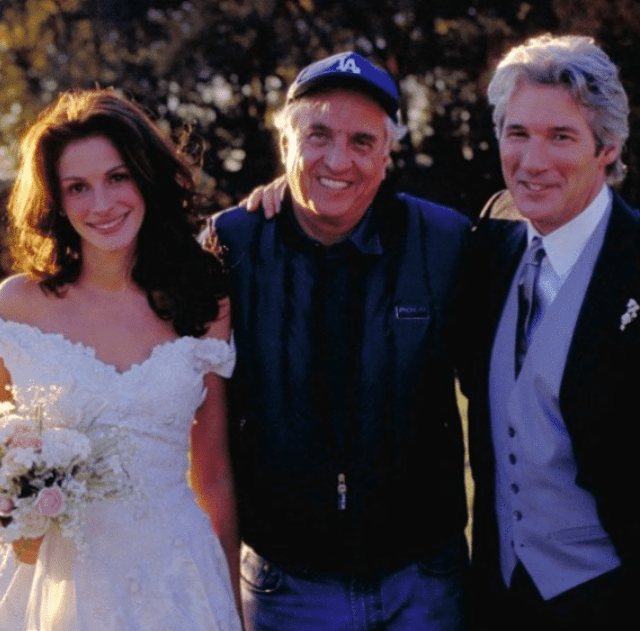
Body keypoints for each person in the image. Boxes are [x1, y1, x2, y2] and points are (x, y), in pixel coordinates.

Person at [209, 52, 471, 631]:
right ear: (285, 144)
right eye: (318, 136)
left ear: (386, 154)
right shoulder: (232, 244)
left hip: (425, 581)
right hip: (286, 587)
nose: (337, 160)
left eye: (361, 141)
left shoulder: (446, 242)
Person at [0, 89, 243, 630]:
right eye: (77, 187)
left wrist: (230, 606)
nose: (102, 204)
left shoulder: (204, 300)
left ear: (146, 178)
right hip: (55, 586)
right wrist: (18, 509)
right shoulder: (15, 307)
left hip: (177, 582)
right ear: (56, 201)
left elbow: (214, 476)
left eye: (117, 177)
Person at [461, 34, 637, 630]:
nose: (532, 162)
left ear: (607, 148)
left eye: (561, 136)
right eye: (518, 134)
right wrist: (290, 189)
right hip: (498, 597)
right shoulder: (489, 242)